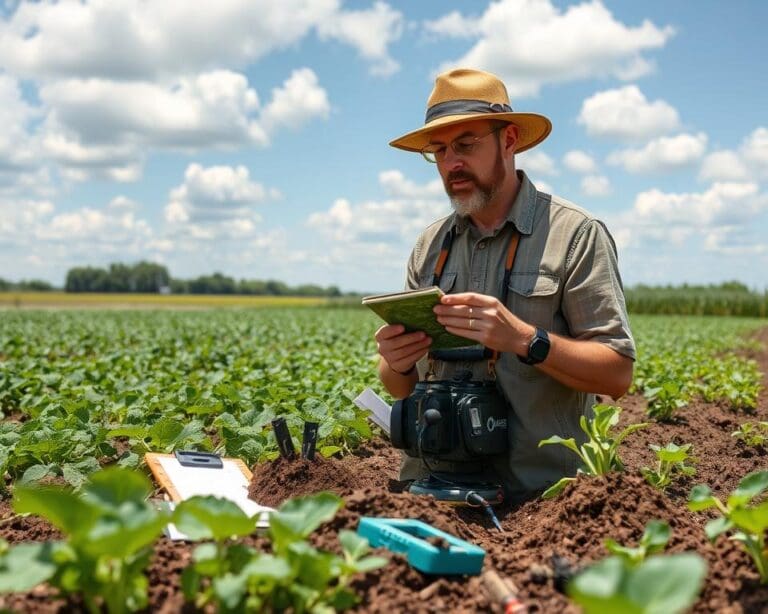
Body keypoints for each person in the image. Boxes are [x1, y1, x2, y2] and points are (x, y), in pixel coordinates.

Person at [375, 68, 635, 500]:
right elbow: (401, 386)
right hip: (431, 495)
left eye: (466, 144)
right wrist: (397, 362)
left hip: (540, 504)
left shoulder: (574, 235)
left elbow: (617, 374)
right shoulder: (429, 246)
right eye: (438, 151)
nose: (451, 164)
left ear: (509, 140)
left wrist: (524, 339)